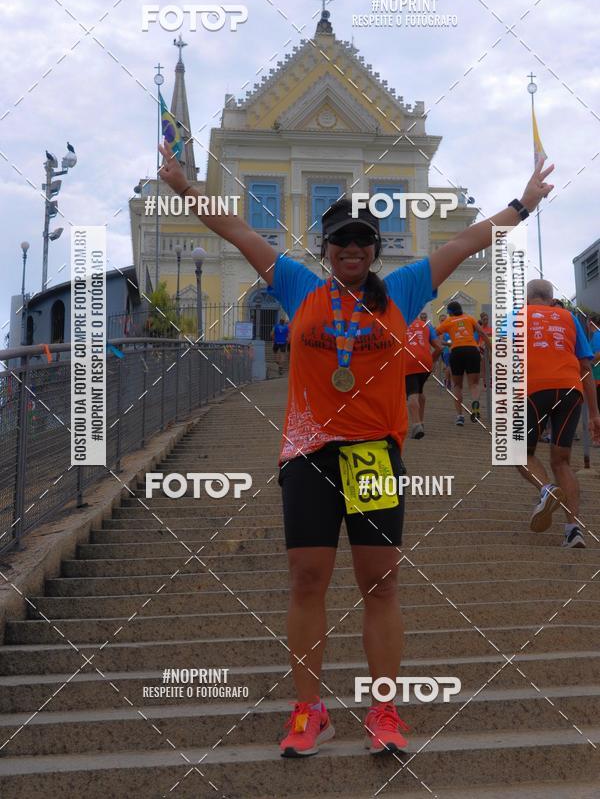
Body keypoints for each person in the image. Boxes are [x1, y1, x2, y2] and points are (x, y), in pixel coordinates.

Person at [158, 141, 554, 758]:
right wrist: (183, 186)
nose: (352, 249)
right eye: (341, 239)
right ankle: (310, 710)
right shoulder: (293, 284)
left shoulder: (404, 288)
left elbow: (466, 242)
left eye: (363, 240)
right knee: (307, 578)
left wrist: (522, 205)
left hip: (373, 454)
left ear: (374, 249)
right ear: (325, 247)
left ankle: (385, 710)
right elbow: (234, 226)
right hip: (309, 454)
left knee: (380, 585)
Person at [516, 280, 600, 547]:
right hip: (570, 389)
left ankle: (547, 490)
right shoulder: (568, 317)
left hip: (532, 389)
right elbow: (585, 365)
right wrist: (595, 413)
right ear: (552, 299)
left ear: (527, 299)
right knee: (561, 461)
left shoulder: (516, 317)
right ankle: (573, 530)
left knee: (518, 452)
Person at [436, 301, 491, 426]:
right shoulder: (470, 318)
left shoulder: (448, 321)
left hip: (456, 352)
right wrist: (491, 348)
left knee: (457, 385)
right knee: (474, 384)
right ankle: (475, 402)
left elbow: (435, 333)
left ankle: (460, 416)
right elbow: (482, 333)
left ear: (450, 312)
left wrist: (444, 343)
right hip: (472, 350)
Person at [405, 311, 443, 438]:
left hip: (407, 360)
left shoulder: (398, 323)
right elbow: (439, 347)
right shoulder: (426, 325)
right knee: (419, 391)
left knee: (412, 394)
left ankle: (416, 425)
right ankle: (421, 422)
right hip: (425, 361)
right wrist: (432, 361)